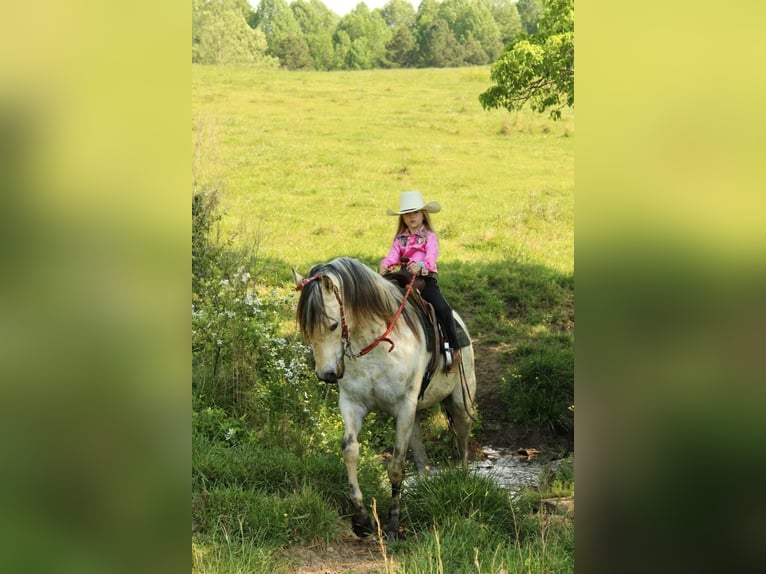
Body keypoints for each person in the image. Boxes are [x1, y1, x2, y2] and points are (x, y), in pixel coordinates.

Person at [379, 190, 460, 371]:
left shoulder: (429, 236)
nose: (411, 217)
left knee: (443, 309)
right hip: (403, 279)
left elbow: (432, 257)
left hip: (424, 280)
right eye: (407, 214)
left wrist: (421, 265)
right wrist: (385, 264)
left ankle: (455, 349)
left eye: (415, 212)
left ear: (423, 214)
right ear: (403, 218)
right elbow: (392, 255)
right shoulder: (400, 239)